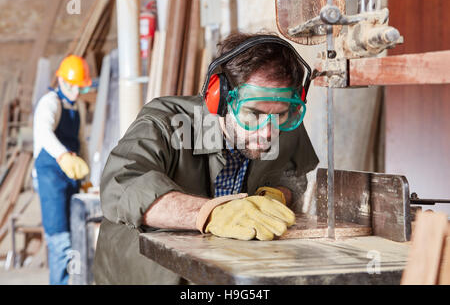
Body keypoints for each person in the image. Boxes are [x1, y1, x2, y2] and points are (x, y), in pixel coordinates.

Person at [94, 33, 319, 284]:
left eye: (279, 115)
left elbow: (293, 174)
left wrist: (277, 194)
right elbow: (121, 186)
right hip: (144, 276)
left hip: (220, 272)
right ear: (220, 98)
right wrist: (210, 213)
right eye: (253, 113)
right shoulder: (165, 123)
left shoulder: (283, 122)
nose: (267, 132)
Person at [33, 55, 91, 285]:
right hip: (50, 179)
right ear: (63, 82)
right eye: (74, 87)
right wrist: (63, 155)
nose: (77, 92)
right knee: (60, 241)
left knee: (76, 238)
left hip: (70, 178)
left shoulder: (77, 106)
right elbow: (43, 133)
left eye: (80, 87)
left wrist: (86, 177)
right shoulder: (50, 103)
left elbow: (81, 141)